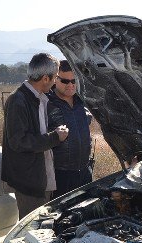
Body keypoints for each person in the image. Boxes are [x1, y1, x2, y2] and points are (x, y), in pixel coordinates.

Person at [1, 53, 69, 219]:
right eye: (55, 78)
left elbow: (36, 133)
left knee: (40, 225)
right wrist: (55, 137)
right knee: (30, 229)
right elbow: (19, 141)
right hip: (28, 181)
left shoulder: (38, 98)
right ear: (45, 78)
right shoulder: (18, 100)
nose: (55, 82)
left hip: (39, 177)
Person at [47, 60, 93, 197]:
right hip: (59, 175)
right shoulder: (46, 103)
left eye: (74, 81)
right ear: (55, 79)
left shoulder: (82, 101)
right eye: (65, 81)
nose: (71, 85)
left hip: (85, 171)